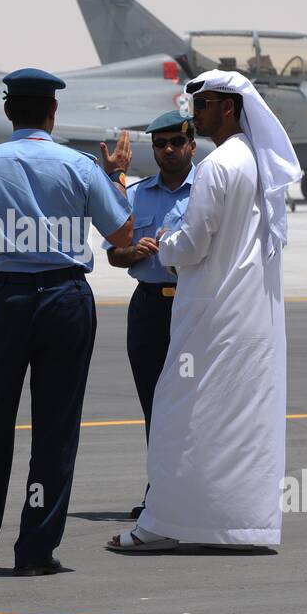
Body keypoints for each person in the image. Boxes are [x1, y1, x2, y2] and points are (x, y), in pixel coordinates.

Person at [0, 68, 134, 575]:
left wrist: (3, 243)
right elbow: (121, 234)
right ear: (53, 113)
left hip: (5, 299)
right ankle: (34, 550)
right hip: (65, 300)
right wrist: (115, 176)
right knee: (55, 430)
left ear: (9, 112)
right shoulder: (79, 165)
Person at [107, 69, 302, 552]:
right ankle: (235, 524)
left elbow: (192, 245)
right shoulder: (257, 161)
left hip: (212, 311)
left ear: (228, 108)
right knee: (234, 420)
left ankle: (164, 524)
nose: (196, 114)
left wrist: (165, 245)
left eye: (204, 105)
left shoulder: (219, 166)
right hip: (249, 312)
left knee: (177, 415)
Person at [103, 110, 196, 518]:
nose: (169, 150)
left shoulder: (208, 190)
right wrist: (132, 251)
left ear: (192, 144)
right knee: (154, 404)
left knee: (195, 402)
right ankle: (159, 490)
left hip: (194, 307)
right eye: (161, 144)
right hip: (149, 308)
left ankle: (196, 489)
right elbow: (113, 254)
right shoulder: (136, 195)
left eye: (177, 142)